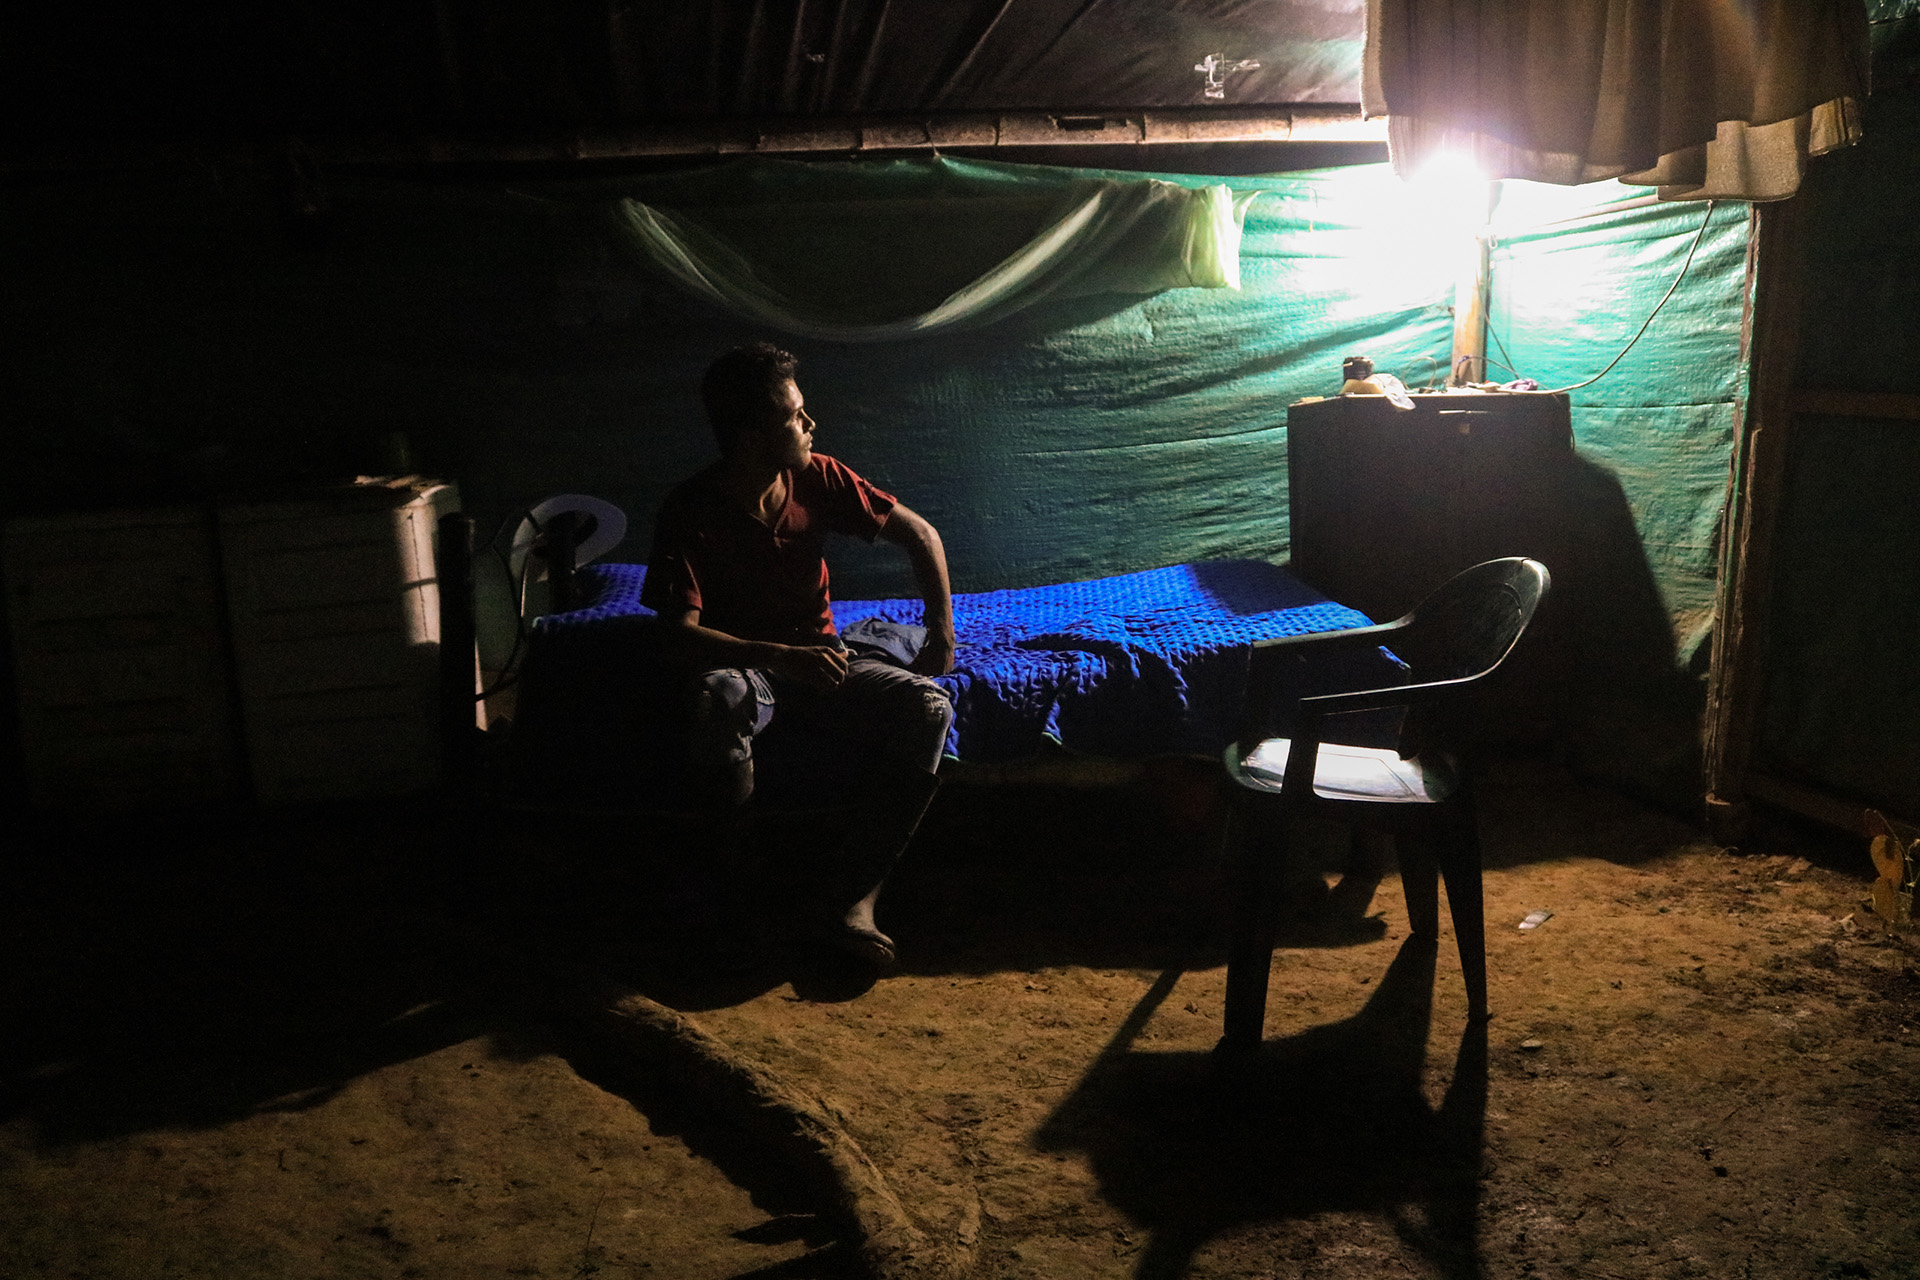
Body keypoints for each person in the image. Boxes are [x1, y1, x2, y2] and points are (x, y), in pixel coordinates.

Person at [640, 342, 957, 968]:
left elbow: (921, 533)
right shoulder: (691, 510)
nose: (810, 425)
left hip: (824, 661)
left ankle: (854, 902)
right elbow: (677, 636)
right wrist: (778, 656)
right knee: (715, 696)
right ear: (753, 434)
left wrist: (941, 632)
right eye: (795, 416)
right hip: (750, 669)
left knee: (927, 708)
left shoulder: (816, 476)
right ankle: (743, 901)